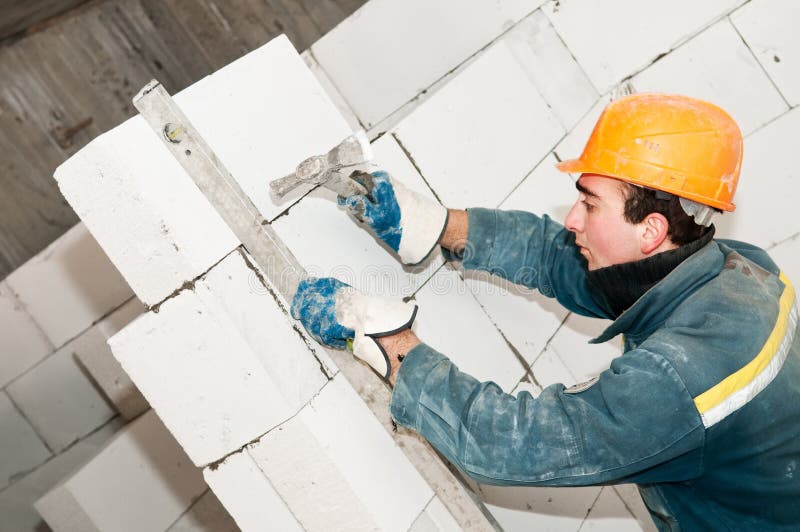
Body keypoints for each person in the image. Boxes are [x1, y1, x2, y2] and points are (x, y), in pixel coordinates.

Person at [290, 93, 800, 531]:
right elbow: (569, 261)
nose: (572, 219)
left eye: (591, 204)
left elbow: (515, 442)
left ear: (651, 231)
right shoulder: (739, 270)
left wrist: (386, 341)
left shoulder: (680, 381)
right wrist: (437, 225)